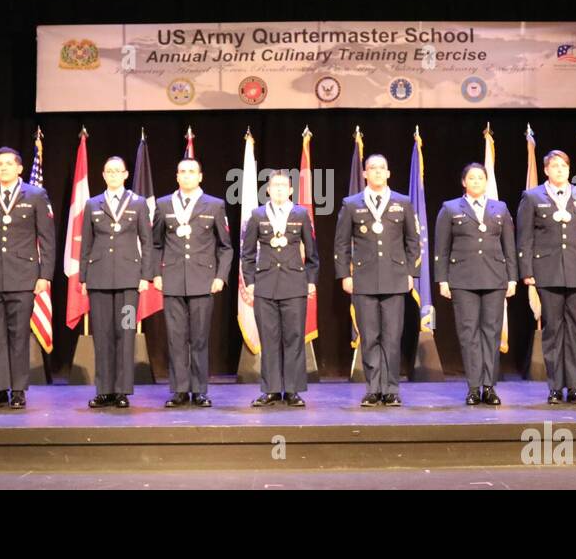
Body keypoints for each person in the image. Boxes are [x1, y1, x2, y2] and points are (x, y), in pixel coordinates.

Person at [517, 151, 576, 405]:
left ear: (569, 169)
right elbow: (524, 237)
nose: (559, 170)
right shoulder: (532, 197)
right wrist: (527, 272)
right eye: (554, 166)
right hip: (547, 271)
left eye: (563, 166)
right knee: (553, 330)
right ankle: (555, 387)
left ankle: (575, 386)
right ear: (546, 170)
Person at [0, 146, 56, 409]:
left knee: (19, 335)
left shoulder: (36, 195)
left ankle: (18, 389)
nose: (3, 168)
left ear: (19, 168)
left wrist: (45, 275)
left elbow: (47, 239)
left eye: (9, 164)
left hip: (23, 275)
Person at [334, 154, 421, 407]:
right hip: (364, 279)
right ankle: (373, 388)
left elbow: (413, 242)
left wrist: (410, 274)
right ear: (364, 174)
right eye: (372, 169)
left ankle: (391, 389)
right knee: (370, 336)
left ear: (389, 173)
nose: (377, 172)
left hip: (395, 279)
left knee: (392, 337)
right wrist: (345, 275)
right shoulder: (351, 204)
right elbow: (341, 244)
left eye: (382, 168)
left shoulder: (402, 202)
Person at [151, 158, 234, 408]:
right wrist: (156, 274)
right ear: (176, 176)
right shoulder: (164, 204)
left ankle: (199, 390)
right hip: (173, 280)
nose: (186, 176)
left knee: (199, 338)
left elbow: (225, 247)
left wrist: (220, 276)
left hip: (203, 280)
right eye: (182, 172)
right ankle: (179, 389)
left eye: (191, 172)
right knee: (176, 338)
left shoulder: (215, 205)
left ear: (200, 177)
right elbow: (156, 244)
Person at [435, 163, 517, 406]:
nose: (476, 181)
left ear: (486, 181)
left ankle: (489, 387)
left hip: (494, 278)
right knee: (468, 333)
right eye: (472, 178)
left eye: (481, 177)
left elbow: (509, 246)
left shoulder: (499, 208)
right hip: (462, 279)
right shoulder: (450, 208)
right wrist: (442, 279)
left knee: (491, 334)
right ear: (464, 182)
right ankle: (473, 386)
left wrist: (512, 278)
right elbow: (441, 248)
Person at [79, 156, 155, 409]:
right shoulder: (92, 204)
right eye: (108, 171)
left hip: (128, 281)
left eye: (117, 171)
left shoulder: (138, 203)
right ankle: (104, 390)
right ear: (103, 175)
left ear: (125, 174)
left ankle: (122, 390)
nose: (113, 175)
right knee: (102, 336)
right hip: (99, 279)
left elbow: (147, 241)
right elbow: (86, 244)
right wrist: (83, 277)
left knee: (125, 332)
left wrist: (145, 276)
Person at [242, 171, 318, 408]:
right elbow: (247, 255)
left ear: (291, 190)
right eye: (274, 185)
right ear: (267, 190)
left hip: (294, 285)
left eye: (283, 186)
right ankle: (271, 390)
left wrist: (311, 280)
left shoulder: (301, 214)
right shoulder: (257, 215)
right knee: (269, 338)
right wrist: (251, 281)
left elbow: (313, 254)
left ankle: (293, 390)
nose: (278, 189)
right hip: (265, 286)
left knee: (294, 338)